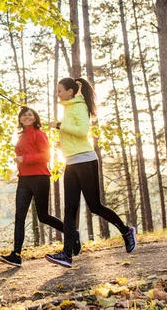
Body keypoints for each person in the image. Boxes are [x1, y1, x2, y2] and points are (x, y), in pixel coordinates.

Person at [45, 77, 137, 268]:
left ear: (70, 91)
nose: (57, 93)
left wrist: (59, 126)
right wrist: (63, 144)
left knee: (95, 206)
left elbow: (81, 131)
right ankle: (66, 255)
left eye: (59, 90)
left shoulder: (79, 106)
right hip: (70, 162)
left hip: (86, 161)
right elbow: (74, 136)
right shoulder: (69, 108)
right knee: (70, 210)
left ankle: (126, 231)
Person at [0, 106, 80, 267]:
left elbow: (46, 156)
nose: (27, 117)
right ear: (20, 119)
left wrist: (25, 159)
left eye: (30, 115)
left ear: (35, 118)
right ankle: (16, 255)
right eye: (24, 115)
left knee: (43, 216)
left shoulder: (39, 134)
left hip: (39, 177)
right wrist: (21, 161)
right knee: (19, 216)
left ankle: (72, 233)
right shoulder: (22, 136)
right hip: (23, 180)